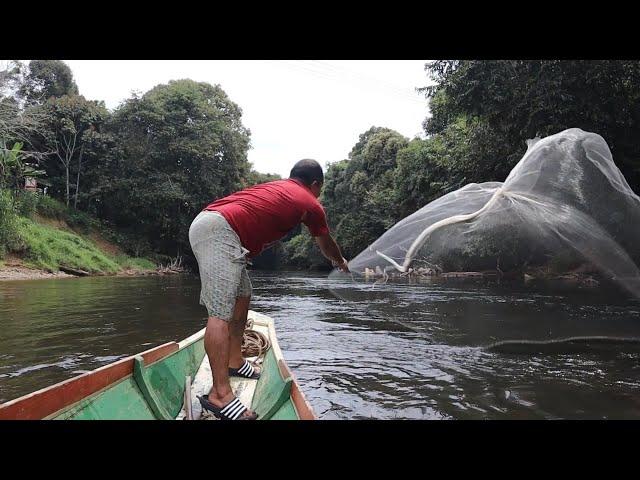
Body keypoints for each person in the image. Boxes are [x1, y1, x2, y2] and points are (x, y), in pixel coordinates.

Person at [189, 159, 349, 420]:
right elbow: (326, 244)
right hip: (218, 230)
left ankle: (234, 361)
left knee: (242, 296)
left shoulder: (281, 188)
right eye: (320, 188)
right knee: (220, 312)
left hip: (218, 227)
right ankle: (220, 394)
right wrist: (340, 261)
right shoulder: (310, 202)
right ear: (316, 184)